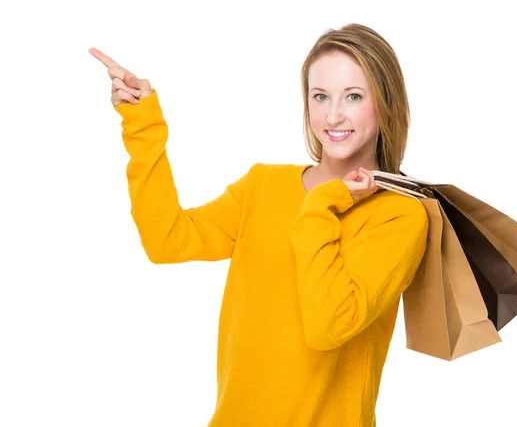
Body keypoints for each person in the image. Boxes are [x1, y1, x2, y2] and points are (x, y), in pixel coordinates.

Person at [90, 22, 429, 427]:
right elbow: (167, 240)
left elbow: (328, 326)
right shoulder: (263, 186)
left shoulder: (400, 216)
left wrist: (325, 200)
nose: (333, 114)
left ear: (385, 103)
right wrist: (142, 125)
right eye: (320, 96)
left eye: (353, 96)